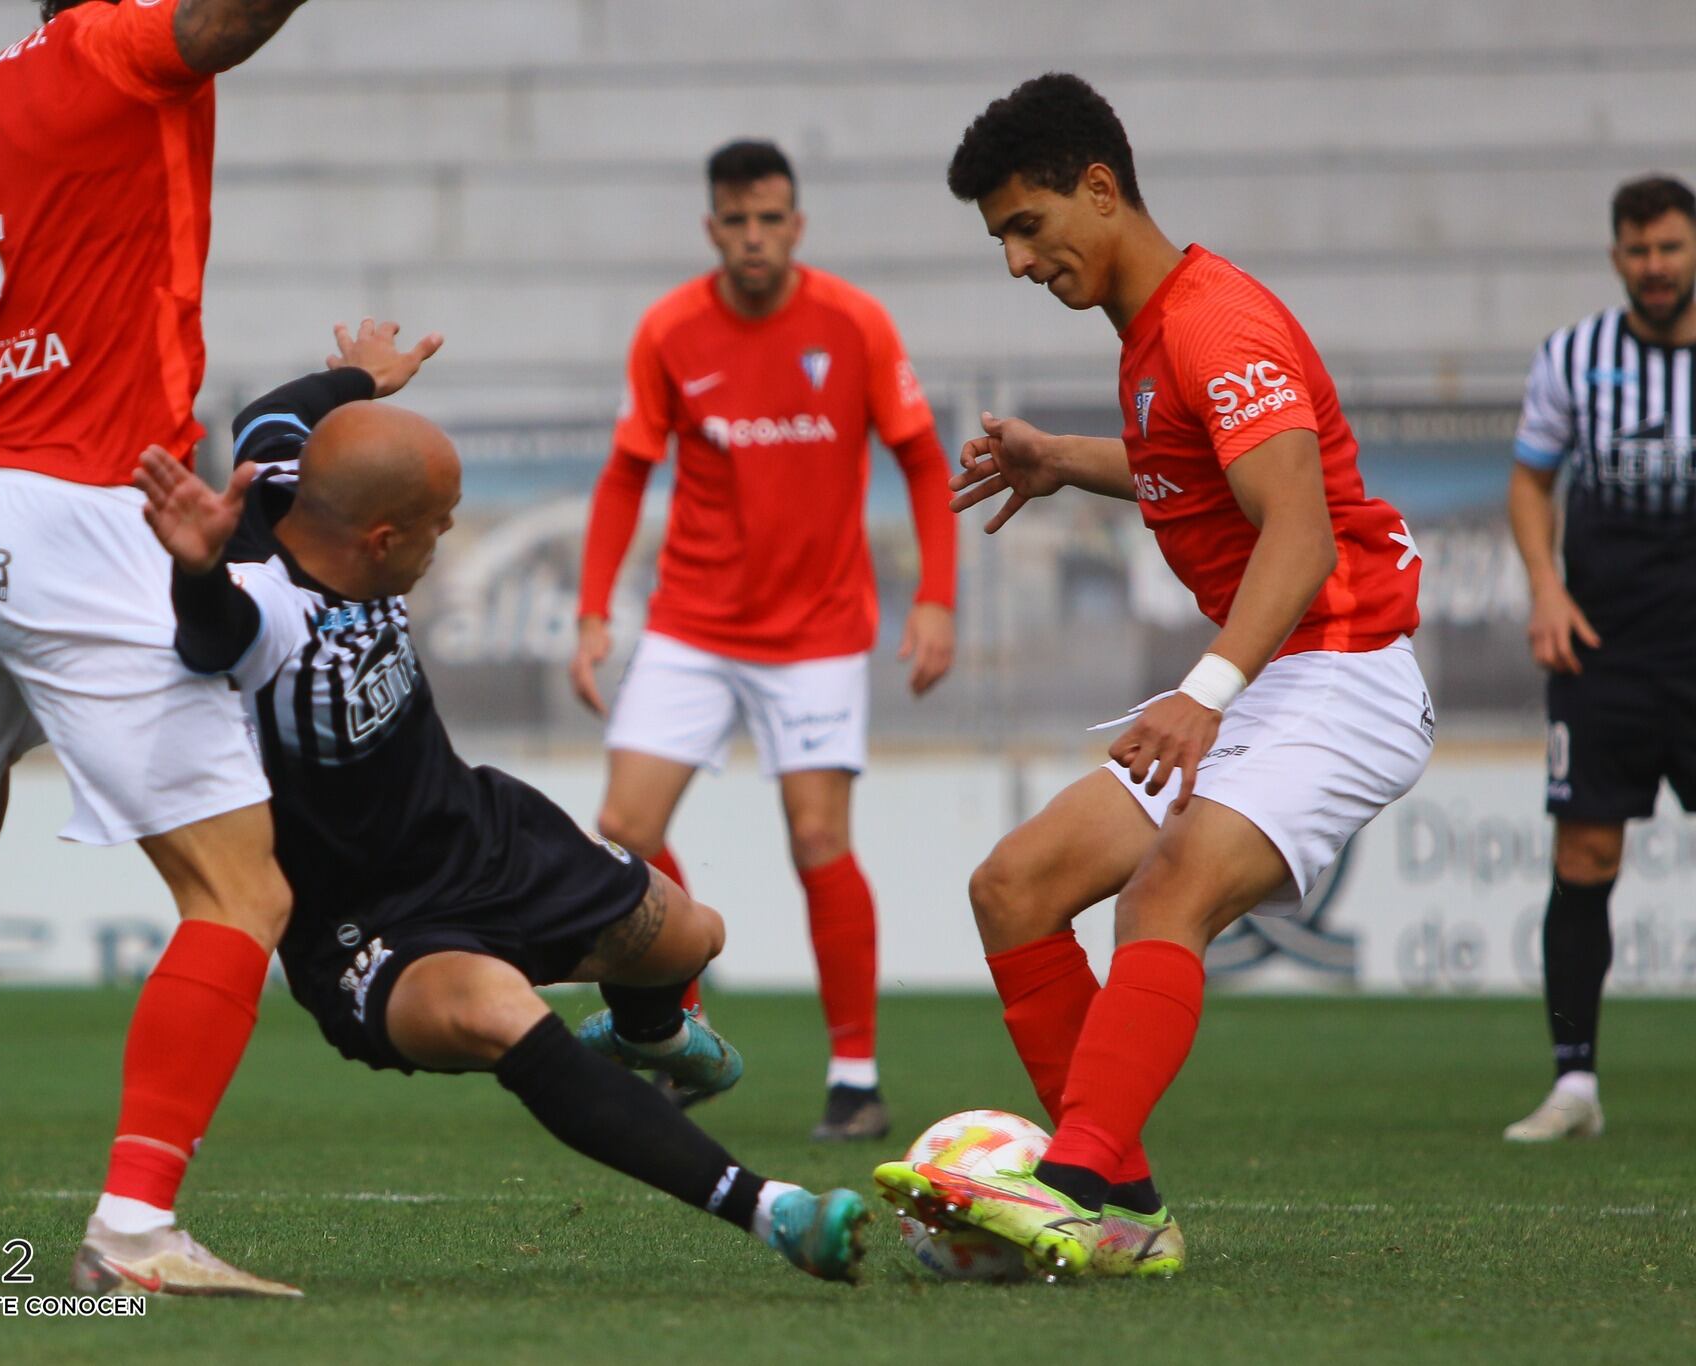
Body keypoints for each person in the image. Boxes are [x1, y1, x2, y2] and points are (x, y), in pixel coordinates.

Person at [0, 0, 323, 1298]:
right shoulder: (109, 44)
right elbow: (220, 27)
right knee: (241, 889)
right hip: (72, 506)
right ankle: (135, 1231)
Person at [873, 73, 1432, 1279]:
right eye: (999, 241)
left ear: (1099, 188)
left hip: (1341, 669)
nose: (1017, 262)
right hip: (1270, 673)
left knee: (1165, 888)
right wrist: (1063, 459)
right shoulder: (1150, 333)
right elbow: (1185, 459)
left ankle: (1071, 1182)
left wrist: (1204, 691)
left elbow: (1297, 531)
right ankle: (1121, 1201)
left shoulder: (1213, 321)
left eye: (1027, 226)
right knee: (1012, 887)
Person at [129, 390, 873, 1283]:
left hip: (488, 834)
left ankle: (649, 1033)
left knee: (694, 936)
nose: (445, 544)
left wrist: (356, 380)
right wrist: (194, 573)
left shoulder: (290, 485)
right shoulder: (262, 602)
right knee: (500, 1016)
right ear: (383, 540)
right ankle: (774, 1211)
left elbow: (270, 418)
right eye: (439, 527)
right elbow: (215, 638)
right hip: (372, 927)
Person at [570, 139, 959, 1141]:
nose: (752, 237)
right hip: (692, 621)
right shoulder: (669, 330)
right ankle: (679, 1028)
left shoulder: (852, 323)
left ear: (795, 224)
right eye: (735, 221)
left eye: (769, 219)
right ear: (711, 229)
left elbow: (920, 461)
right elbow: (623, 473)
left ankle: (855, 1078)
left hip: (818, 630)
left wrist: (935, 599)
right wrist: (592, 609)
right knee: (625, 822)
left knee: (818, 839)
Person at [1503, 174, 1696, 1143]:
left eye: (1667, 248)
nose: (1653, 268)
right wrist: (1544, 585)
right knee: (1582, 857)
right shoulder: (1573, 357)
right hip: (1603, 651)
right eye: (1636, 251)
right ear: (1615, 254)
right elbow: (1530, 480)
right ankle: (1572, 1083)